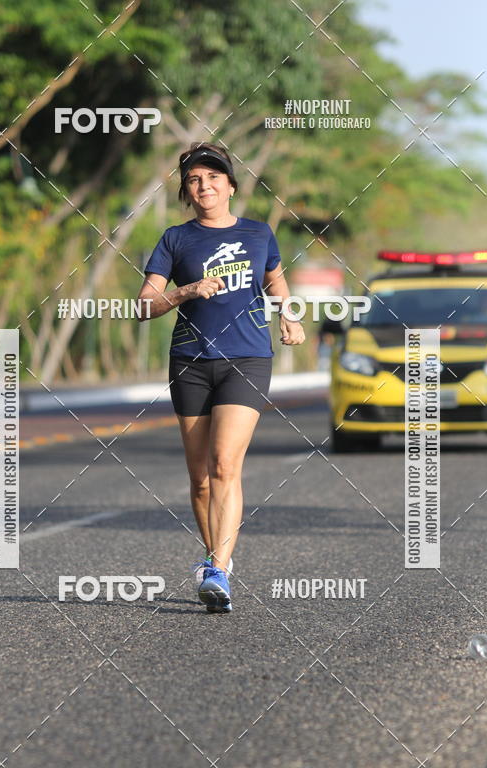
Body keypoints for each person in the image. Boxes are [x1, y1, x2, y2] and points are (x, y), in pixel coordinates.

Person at [137, 142, 304, 613]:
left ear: (231, 185)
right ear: (186, 193)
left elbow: (276, 281)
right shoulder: (175, 239)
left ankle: (218, 570)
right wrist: (185, 291)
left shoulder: (258, 233)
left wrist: (288, 316)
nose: (204, 185)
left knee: (224, 464)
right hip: (190, 362)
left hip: (247, 359)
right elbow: (143, 305)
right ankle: (214, 562)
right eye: (194, 180)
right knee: (200, 480)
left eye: (213, 177)